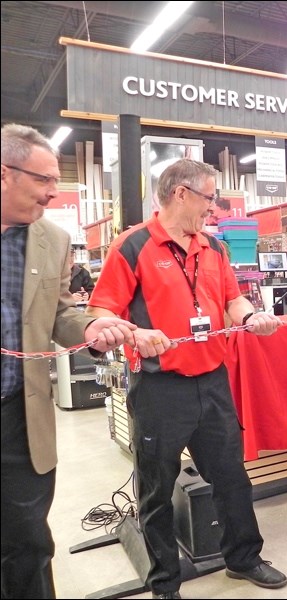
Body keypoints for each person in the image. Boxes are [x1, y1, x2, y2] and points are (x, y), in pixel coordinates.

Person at [86, 158, 287, 599]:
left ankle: (244, 557)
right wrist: (136, 333)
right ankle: (164, 584)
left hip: (212, 382)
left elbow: (233, 299)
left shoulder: (214, 248)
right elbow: (101, 312)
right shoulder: (132, 246)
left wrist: (252, 317)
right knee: (156, 489)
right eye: (209, 198)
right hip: (160, 388)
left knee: (232, 477)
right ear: (181, 193)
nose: (213, 209)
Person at [1, 123, 136, 599]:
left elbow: (59, 311)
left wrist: (91, 329)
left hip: (18, 418)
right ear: (4, 174)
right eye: (43, 180)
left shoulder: (51, 240)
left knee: (28, 542)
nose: (53, 193)